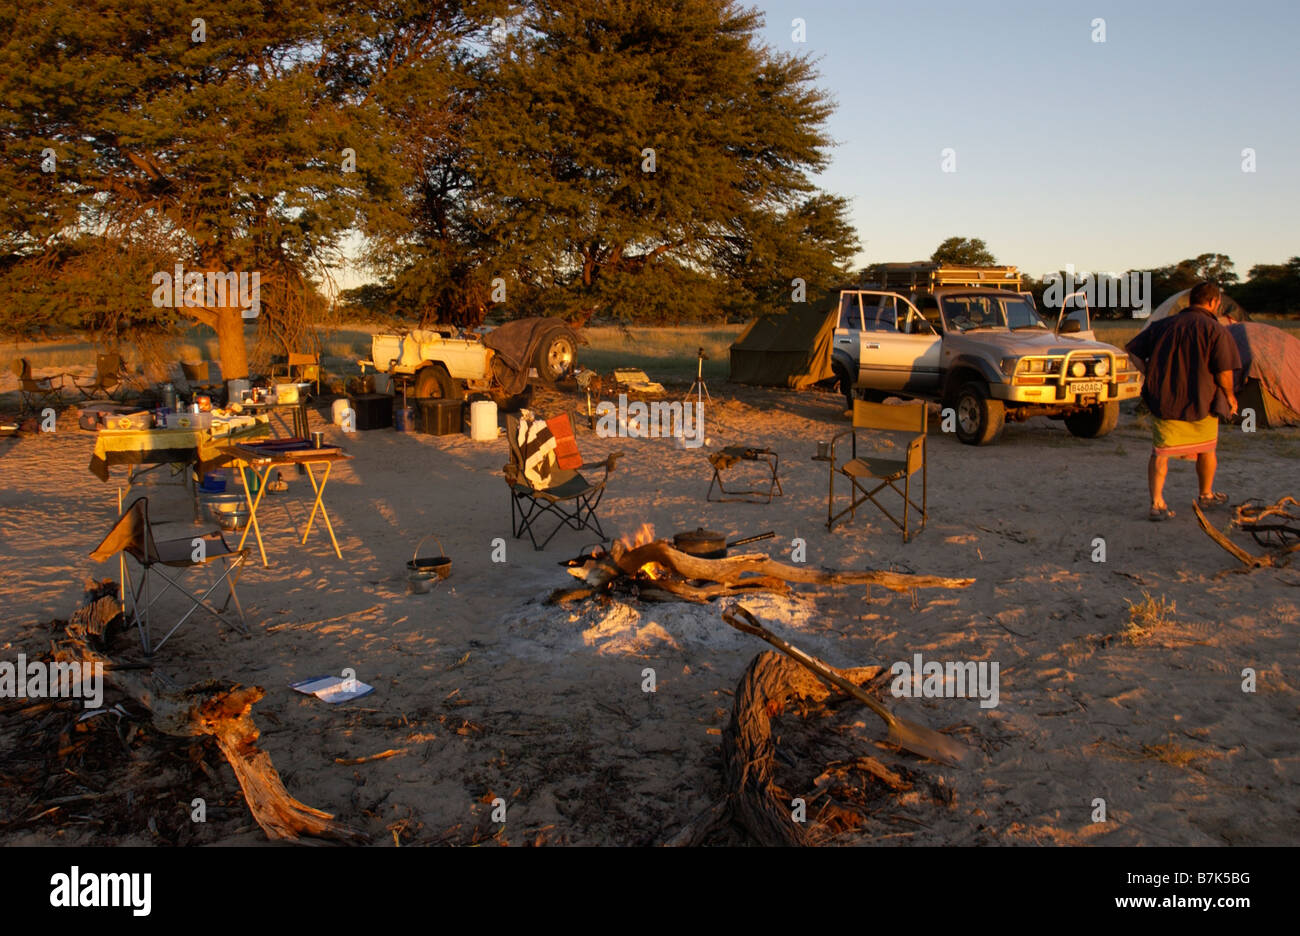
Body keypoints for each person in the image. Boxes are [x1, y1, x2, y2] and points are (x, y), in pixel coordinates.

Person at [1125, 282, 1242, 521]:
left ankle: (1157, 504)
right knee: (1207, 448)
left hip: (1165, 400)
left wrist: (1150, 372)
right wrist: (1229, 395)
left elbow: (1133, 350)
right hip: (1204, 400)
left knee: (1161, 452)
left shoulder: (1162, 326)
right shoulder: (1215, 330)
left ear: (1190, 301)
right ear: (1214, 302)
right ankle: (1206, 495)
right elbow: (1223, 372)